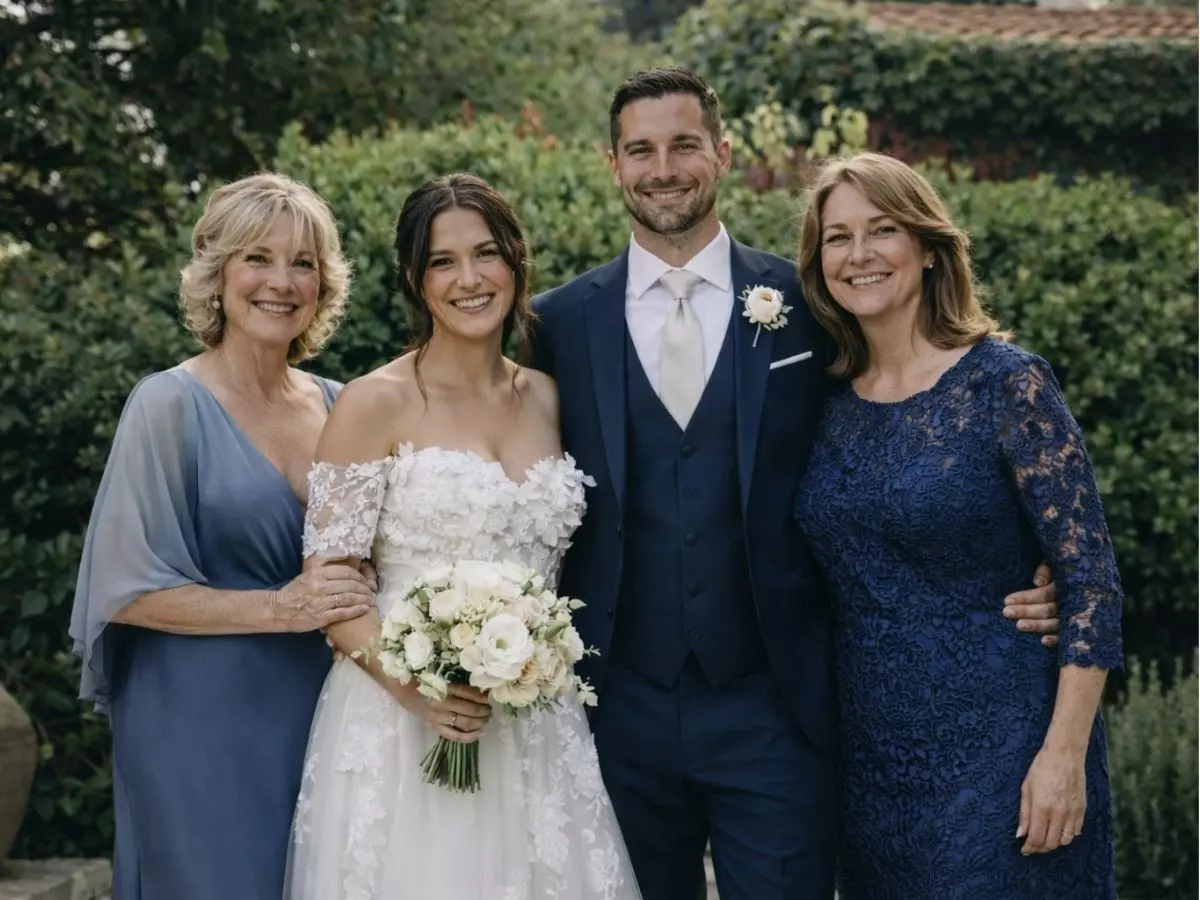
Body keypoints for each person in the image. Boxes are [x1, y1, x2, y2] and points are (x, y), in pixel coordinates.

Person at [530, 67, 1063, 900]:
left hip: (774, 706)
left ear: (724, 153)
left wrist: (1025, 572)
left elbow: (913, 425)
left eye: (684, 145)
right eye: (641, 149)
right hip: (614, 709)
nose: (662, 167)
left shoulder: (815, 301)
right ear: (613, 163)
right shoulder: (556, 323)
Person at [284, 173, 640, 899]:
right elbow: (333, 590)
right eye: (443, 262)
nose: (469, 279)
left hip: (540, 727)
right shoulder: (371, 404)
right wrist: (417, 691)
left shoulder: (546, 395)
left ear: (515, 261)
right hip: (402, 729)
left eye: (486, 254)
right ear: (415, 280)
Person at [793, 151, 1123, 898]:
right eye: (838, 238)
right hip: (870, 763)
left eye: (882, 230)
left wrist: (1063, 757)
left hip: (1007, 750)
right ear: (819, 264)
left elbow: (1092, 587)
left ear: (930, 248)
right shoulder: (819, 402)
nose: (860, 254)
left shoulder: (1008, 384)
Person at [69, 173, 376, 899]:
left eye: (303, 263)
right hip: (196, 721)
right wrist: (282, 608)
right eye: (257, 259)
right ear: (216, 273)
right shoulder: (167, 404)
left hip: (326, 716)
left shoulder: (342, 406)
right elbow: (125, 590)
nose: (282, 282)